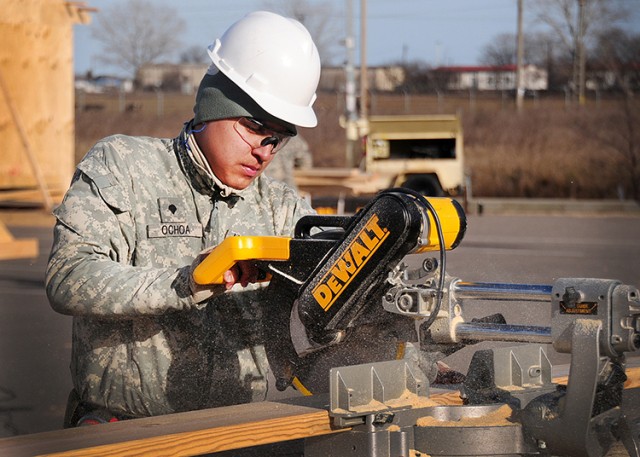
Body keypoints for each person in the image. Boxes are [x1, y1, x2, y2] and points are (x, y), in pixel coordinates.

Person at [45, 11, 321, 426]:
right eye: (253, 128)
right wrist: (187, 280)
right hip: (124, 429)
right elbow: (69, 276)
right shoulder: (124, 167)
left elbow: (338, 284)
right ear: (212, 107)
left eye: (277, 139)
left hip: (239, 433)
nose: (265, 151)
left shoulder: (280, 207)